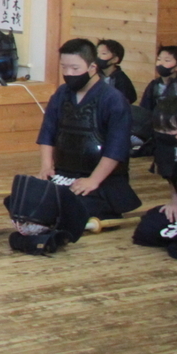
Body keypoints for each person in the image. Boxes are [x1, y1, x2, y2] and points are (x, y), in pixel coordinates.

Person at [35, 38, 140, 221]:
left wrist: (93, 180)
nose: (68, 73)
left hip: (103, 179)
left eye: (75, 68)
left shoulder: (113, 99)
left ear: (92, 67)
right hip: (64, 173)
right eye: (64, 67)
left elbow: (116, 149)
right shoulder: (61, 93)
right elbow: (48, 133)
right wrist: (46, 167)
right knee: (25, 200)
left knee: (68, 208)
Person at [131, 96, 177, 259]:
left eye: (168, 131)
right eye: (159, 129)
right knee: (147, 232)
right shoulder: (164, 145)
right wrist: (175, 200)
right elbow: (170, 175)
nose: (162, 135)